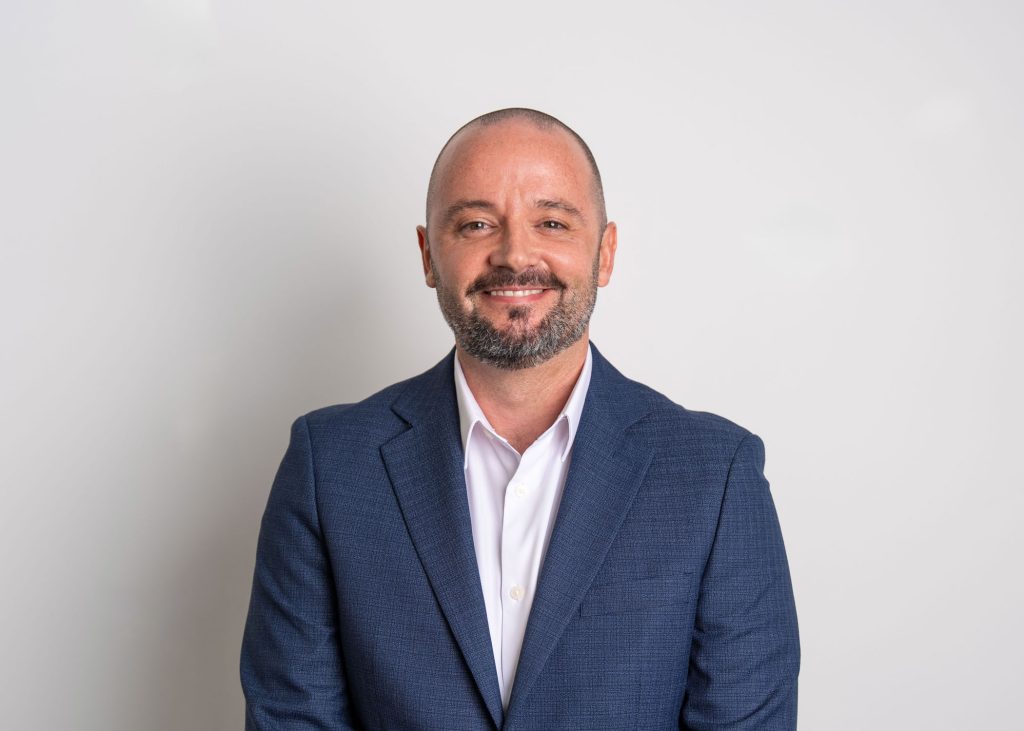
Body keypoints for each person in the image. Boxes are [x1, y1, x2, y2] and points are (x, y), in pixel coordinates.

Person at [240, 108, 800, 730]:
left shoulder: (715, 476)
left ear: (605, 253)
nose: (514, 255)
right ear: (428, 256)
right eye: (476, 223)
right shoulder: (330, 466)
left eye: (552, 221)